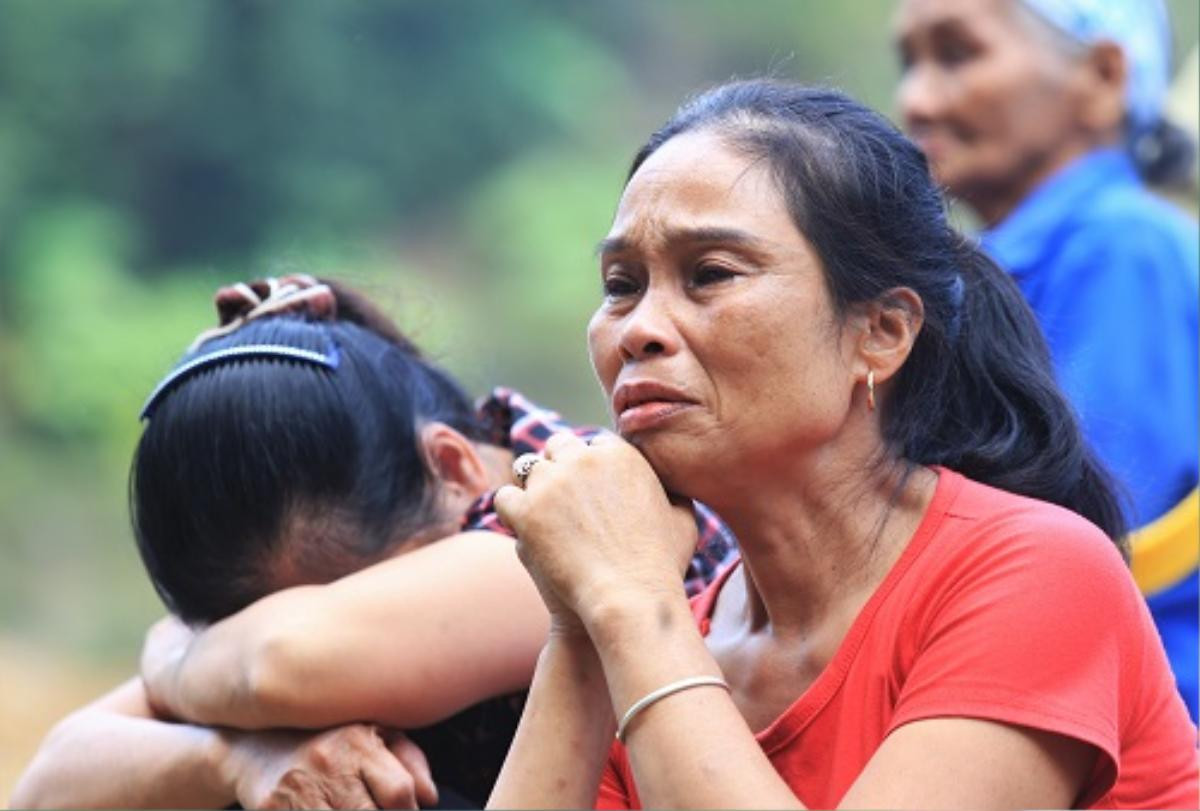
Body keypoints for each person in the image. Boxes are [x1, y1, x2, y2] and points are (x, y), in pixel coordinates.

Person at [484, 80, 1199, 809]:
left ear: (881, 333)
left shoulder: (1039, 572)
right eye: (621, 284)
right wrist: (581, 617)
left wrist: (627, 602)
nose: (638, 329)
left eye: (710, 275)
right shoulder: (658, 629)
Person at [11, 276, 735, 809]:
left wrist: (174, 650)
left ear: (452, 464)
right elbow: (48, 785)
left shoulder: (574, 511)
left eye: (356, 596)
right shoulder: (275, 618)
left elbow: (275, 664)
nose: (257, 629)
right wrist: (237, 756)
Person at [894, 0, 1199, 720]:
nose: (915, 98)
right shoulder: (989, 271)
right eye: (908, 62)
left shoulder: (1121, 248)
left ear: (1100, 76)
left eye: (957, 53)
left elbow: (1080, 521)